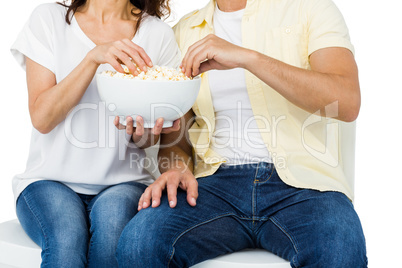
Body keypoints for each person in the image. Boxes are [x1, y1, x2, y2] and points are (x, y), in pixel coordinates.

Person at [116, 0, 368, 267]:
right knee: (138, 243)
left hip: (305, 188)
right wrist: (178, 167)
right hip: (213, 188)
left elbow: (346, 101)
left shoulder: (311, 9)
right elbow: (178, 138)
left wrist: (248, 58)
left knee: (339, 253)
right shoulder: (184, 31)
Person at [10, 0, 180, 267]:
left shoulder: (157, 34)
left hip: (124, 183)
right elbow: (42, 118)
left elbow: (149, 139)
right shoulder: (49, 19)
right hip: (48, 181)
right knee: (66, 242)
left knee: (113, 240)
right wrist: (92, 58)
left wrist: (142, 134)